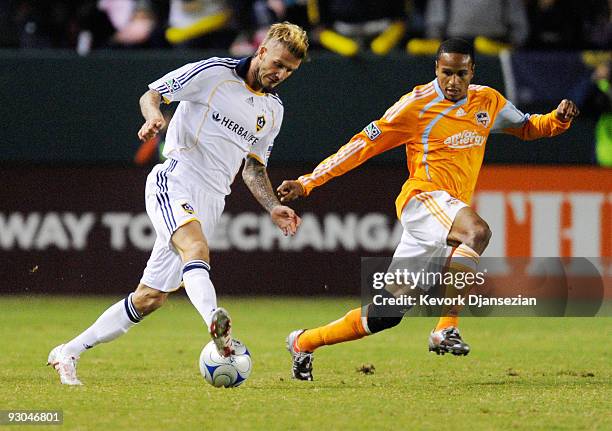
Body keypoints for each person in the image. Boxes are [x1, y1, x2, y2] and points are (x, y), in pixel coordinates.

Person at [277, 38, 579, 381]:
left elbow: (526, 127)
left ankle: (303, 342)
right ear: (436, 69)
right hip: (423, 199)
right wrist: (308, 181)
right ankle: (445, 328)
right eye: (446, 73)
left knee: (384, 314)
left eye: (460, 74)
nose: (453, 81)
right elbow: (363, 145)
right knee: (477, 232)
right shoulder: (415, 105)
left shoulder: (487, 101)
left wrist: (558, 119)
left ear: (472, 72)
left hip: (446, 215)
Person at [48, 22, 308, 385]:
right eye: (278, 63)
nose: (280, 74)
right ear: (261, 51)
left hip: (213, 200)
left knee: (149, 298)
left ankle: (68, 351)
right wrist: (154, 116)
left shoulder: (274, 111)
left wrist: (271, 207)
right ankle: (220, 334)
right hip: (176, 178)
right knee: (196, 248)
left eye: (290, 71)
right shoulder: (214, 72)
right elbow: (152, 94)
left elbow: (253, 167)